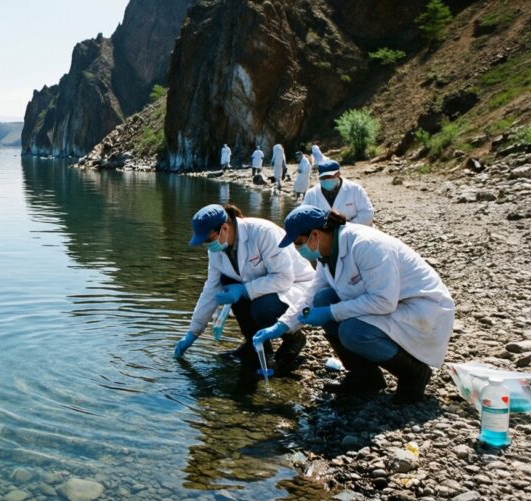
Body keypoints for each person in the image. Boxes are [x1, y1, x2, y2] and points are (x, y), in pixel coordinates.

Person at [253, 206, 455, 403]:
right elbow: (311, 294)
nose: (299, 250)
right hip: (391, 304)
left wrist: (331, 313)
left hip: (422, 309)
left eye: (299, 243)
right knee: (323, 298)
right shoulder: (327, 253)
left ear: (315, 234)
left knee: (352, 331)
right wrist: (283, 325)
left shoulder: (367, 245)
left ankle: (414, 373)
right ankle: (365, 376)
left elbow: (383, 301)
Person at [174, 204, 315, 375]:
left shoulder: (263, 232)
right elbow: (211, 289)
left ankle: (294, 339)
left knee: (262, 309)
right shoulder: (216, 248)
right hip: (263, 289)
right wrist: (192, 333)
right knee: (225, 281)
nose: (207, 246)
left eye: (208, 240)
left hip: (296, 286)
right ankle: (255, 346)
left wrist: (244, 290)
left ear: (224, 228)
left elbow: (284, 278)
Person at [303, 159, 375, 226]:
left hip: (353, 233)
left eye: (329, 176)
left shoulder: (355, 189)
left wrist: (345, 226)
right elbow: (304, 216)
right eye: (323, 177)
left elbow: (367, 213)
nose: (326, 180)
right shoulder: (311, 194)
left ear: (338, 174)